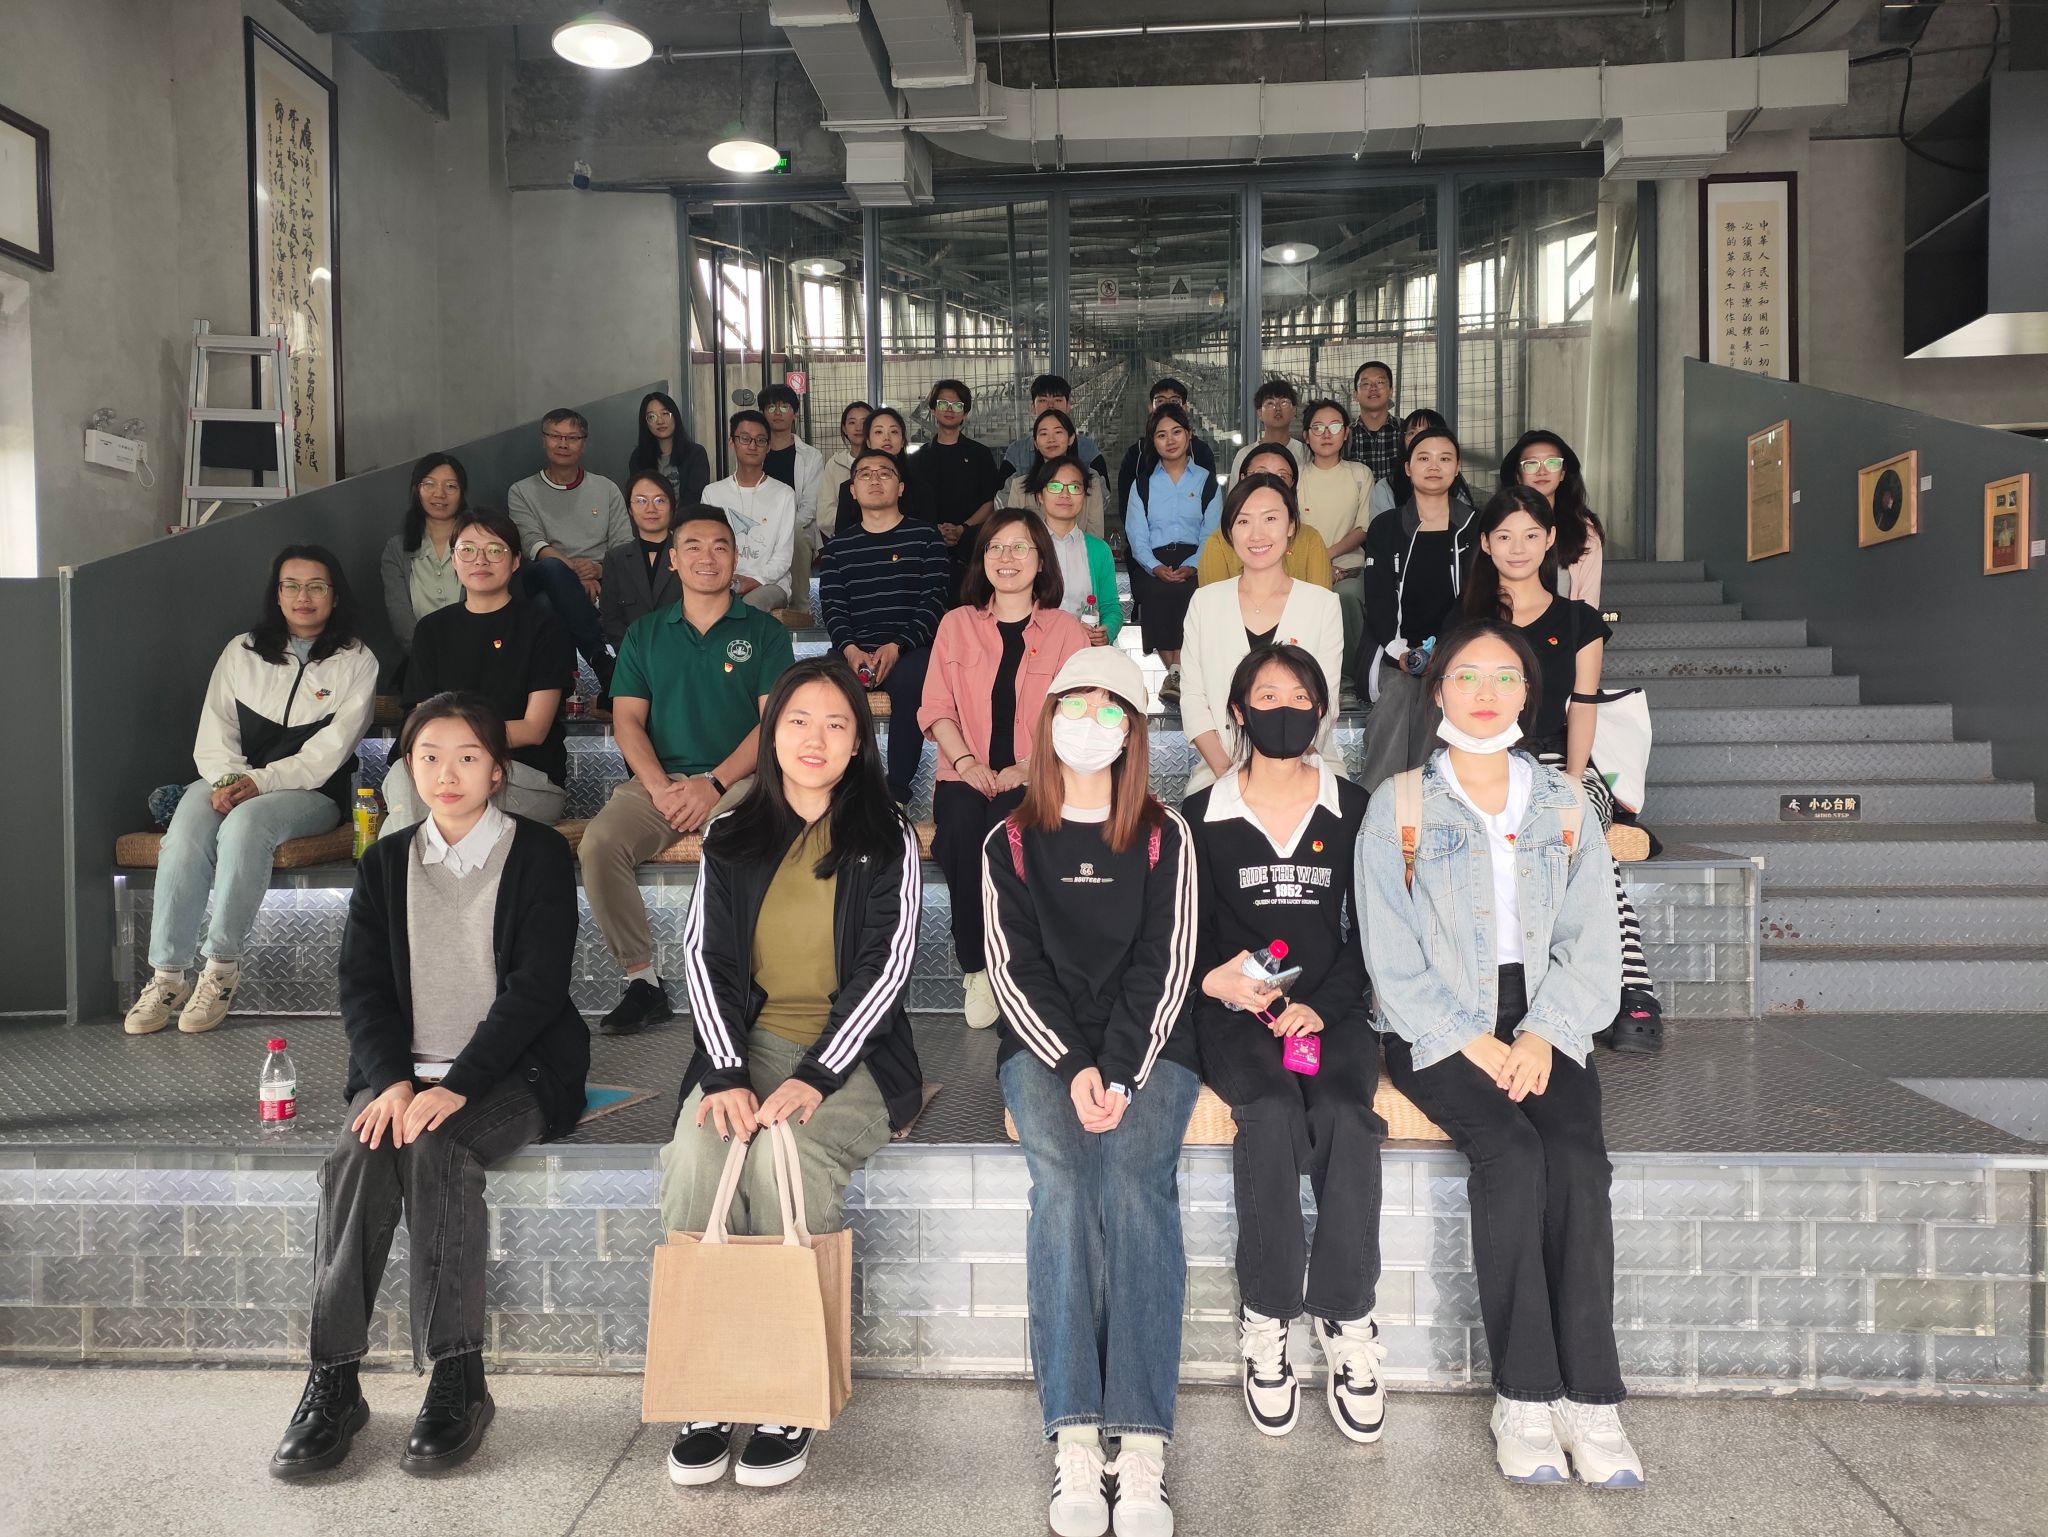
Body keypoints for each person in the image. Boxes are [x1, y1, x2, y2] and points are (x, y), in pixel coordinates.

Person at [269, 693, 589, 1479]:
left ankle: (458, 1374)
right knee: (356, 1155)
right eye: (430, 756)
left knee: (438, 1147)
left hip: (511, 1070)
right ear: (408, 768)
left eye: (468, 756)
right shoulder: (385, 863)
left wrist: (459, 1085)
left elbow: (537, 989)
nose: (448, 772)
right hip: (403, 1076)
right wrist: (392, 1081)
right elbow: (363, 988)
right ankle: (334, 1379)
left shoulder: (540, 854)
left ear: (498, 770)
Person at [1355, 621, 1641, 1490]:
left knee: (1578, 1161)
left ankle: (1591, 1398)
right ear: (1436, 689)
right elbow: (1388, 953)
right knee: (1512, 1155)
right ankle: (1524, 1393)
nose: (1485, 692)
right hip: (1437, 1025)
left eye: (1505, 676)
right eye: (1467, 675)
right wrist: (1472, 1037)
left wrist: (1545, 1032)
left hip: (1549, 1017)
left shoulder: (1565, 803)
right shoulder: (1400, 804)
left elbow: (1594, 941)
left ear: (1529, 692)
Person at [659, 659, 924, 1492]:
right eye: (798, 720)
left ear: (859, 743)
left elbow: (887, 969)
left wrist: (816, 1074)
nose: (816, 737)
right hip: (749, 1043)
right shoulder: (732, 832)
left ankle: (785, 1390)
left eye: (837, 723)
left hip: (856, 1055)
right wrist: (724, 1073)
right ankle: (706, 1384)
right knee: (698, 1155)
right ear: (772, 735)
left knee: (787, 1156)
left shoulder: (887, 835)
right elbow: (703, 959)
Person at [981, 645, 1200, 1537]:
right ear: (1047, 716)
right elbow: (1014, 969)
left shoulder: (1163, 832)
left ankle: (1141, 1441)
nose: (1090, 720)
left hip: (1149, 1045)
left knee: (1138, 1188)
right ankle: (1075, 1431)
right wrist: (1075, 1065)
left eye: (1112, 706)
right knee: (1066, 1186)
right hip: (1046, 1045)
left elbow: (1166, 962)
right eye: (1076, 702)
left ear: (1134, 729)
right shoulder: (1009, 838)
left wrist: (1120, 1069)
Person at [1185, 645, 1384, 1444]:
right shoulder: (1198, 815)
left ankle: (1347, 1315)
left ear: (1322, 710)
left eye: (1300, 695)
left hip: (1328, 1012)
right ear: (1238, 710)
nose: (1284, 708)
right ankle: (1267, 1316)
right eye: (1265, 695)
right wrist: (1216, 982)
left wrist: (1322, 1009)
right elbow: (1183, 932)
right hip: (1235, 1014)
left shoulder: (1355, 808)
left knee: (1344, 1115)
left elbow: (1373, 934)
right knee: (1267, 1110)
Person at [124, 547, 378, 1038]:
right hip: (229, 778)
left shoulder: (357, 660)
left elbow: (329, 751)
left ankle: (221, 968)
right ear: (276, 595)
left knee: (244, 826)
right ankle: (168, 975)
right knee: (187, 827)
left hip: (310, 793)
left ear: (335, 595)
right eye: (291, 586)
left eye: (316, 586)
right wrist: (227, 781)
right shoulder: (242, 650)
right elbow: (215, 728)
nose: (303, 597)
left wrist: (259, 782)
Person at [578, 506, 797, 1037]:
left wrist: (713, 783)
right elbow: (628, 721)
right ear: (673, 559)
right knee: (599, 844)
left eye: (720, 546)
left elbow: (773, 724)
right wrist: (658, 787)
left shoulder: (765, 633)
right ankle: (642, 982)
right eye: (693, 546)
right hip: (660, 780)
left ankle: (738, 980)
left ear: (735, 558)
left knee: (734, 840)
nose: (707, 557)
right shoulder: (646, 633)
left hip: (741, 780)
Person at [1465, 484, 1661, 1052]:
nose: (1518, 547)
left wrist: (1574, 781)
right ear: (1486, 544)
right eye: (1505, 536)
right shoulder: (1470, 620)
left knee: (1585, 840)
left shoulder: (1578, 619)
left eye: (1531, 535)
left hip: (1560, 757)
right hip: (1488, 758)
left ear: (1550, 539)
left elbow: (1584, 705)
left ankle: (1631, 986)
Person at [921, 511, 1090, 1030]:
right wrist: (967, 763)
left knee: (1007, 827)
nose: (1006, 558)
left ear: (1041, 561)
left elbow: (1077, 713)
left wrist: (1028, 767)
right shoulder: (956, 625)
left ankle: (1019, 965)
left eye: (1020, 547)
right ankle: (977, 968)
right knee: (961, 828)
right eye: (995, 547)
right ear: (982, 559)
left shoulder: (1066, 631)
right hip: (964, 772)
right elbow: (936, 708)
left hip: (1038, 774)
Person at [387, 510, 572, 830]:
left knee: (449, 815)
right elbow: (422, 719)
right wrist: (456, 754)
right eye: (468, 550)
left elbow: (534, 728)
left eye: (495, 550)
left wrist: (456, 746)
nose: (480, 560)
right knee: (406, 782)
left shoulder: (544, 626)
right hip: (443, 771)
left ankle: (412, 862)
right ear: (454, 560)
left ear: (515, 561)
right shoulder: (432, 629)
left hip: (520, 772)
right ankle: (407, 862)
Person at [1179, 476, 1344, 795]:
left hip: (1306, 764)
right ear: (1230, 531)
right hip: (1221, 768)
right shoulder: (1205, 602)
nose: (1257, 534)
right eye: (1243, 521)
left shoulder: (1322, 604)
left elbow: (1326, 701)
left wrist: (1282, 776)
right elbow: (1193, 699)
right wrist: (1229, 775)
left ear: (1291, 526)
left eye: (1270, 519)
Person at [819, 448, 953, 803]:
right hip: (852, 649)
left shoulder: (926, 538)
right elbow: (833, 607)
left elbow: (933, 602)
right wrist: (851, 650)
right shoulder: (838, 548)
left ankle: (896, 793)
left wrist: (898, 646)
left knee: (915, 679)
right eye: (864, 474)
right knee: (824, 687)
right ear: (852, 490)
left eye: (884, 473)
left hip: (910, 648)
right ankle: (842, 789)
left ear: (901, 487)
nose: (874, 479)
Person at [1356, 426, 1478, 792]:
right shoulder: (1386, 526)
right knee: (1398, 692)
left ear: (1457, 468)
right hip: (1391, 648)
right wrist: (1400, 653)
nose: (1434, 466)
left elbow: (1474, 599)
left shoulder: (1475, 526)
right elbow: (1378, 598)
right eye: (1424, 458)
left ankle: (1426, 797)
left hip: (1457, 651)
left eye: (1445, 459)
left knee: (1434, 695)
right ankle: (1377, 798)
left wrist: (1443, 651)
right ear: (1408, 468)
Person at [508, 408, 631, 691]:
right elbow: (532, 543)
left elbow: (623, 545)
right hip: (544, 572)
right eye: (555, 436)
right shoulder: (521, 491)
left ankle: (564, 688)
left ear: (583, 443)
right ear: (543, 440)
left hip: (597, 579)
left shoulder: (606, 489)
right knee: (551, 569)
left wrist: (598, 570)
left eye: (572, 438)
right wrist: (575, 576)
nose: (563, 444)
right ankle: (598, 656)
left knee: (546, 605)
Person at [1125, 402, 1221, 702]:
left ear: (1189, 435)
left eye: (1176, 432)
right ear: (1153, 441)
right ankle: (1178, 673)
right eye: (1161, 435)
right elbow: (1136, 534)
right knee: (1154, 591)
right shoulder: (1142, 485)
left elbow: (1212, 531)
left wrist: (1194, 564)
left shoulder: (1206, 480)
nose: (1170, 440)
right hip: (1154, 560)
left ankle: (1179, 674)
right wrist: (1153, 566)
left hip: (1197, 557)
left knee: (1190, 591)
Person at [1298, 400, 1373, 691]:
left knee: (1347, 597)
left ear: (1346, 433)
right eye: (1317, 427)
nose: (1326, 434)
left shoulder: (1360, 474)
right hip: (1302, 568)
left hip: (1349, 570)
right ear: (1306, 436)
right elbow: (1292, 530)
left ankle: (1347, 682)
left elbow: (1363, 528)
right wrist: (1317, 565)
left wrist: (1327, 558)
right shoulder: (1298, 477)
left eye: (1334, 426)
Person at [1197, 439, 1334, 588]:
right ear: (1243, 478)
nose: (1269, 482)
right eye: (1261, 473)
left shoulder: (1310, 539)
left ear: (1292, 484)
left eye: (1281, 477)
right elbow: (1213, 600)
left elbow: (1320, 599)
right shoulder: (1218, 542)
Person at [701, 409, 798, 612]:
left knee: (748, 607)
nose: (753, 446)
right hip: (723, 581)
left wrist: (754, 580)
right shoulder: (712, 493)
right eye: (745, 439)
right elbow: (707, 546)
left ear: (768, 446)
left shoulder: (784, 494)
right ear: (732, 442)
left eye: (760, 440)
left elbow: (783, 557)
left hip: (769, 584)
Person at [916, 379, 1005, 590]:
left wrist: (962, 528)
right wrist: (936, 530)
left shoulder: (980, 454)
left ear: (965, 413)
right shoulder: (918, 459)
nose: (949, 410)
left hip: (972, 548)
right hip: (928, 549)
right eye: (943, 404)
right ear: (933, 410)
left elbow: (990, 502)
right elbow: (914, 505)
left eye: (957, 405)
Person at [379, 453, 469, 657]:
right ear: (416, 490)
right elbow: (399, 615)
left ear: (462, 493)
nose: (440, 493)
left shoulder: (479, 544)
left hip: (475, 655)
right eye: (429, 484)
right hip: (420, 659)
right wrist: (426, 657)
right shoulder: (396, 549)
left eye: (451, 486)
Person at [1502, 429, 1606, 606]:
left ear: (1563, 473)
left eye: (1552, 463)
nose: (1542, 471)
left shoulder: (1584, 531)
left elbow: (1588, 603)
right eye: (1531, 464)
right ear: (1518, 476)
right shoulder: (1499, 525)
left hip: (1567, 623)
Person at [1028, 454, 1124, 643]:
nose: (1065, 494)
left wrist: (1106, 632)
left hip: (1085, 650)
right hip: (1037, 648)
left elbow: (1111, 608)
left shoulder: (1099, 550)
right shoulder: (1027, 546)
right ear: (1040, 496)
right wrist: (1068, 630)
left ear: (1084, 496)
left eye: (1074, 487)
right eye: (1055, 487)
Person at [600, 473, 682, 650]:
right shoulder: (616, 559)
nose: (651, 508)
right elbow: (611, 619)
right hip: (631, 654)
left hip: (682, 652)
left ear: (672, 506)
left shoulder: (689, 554)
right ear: (630, 509)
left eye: (660, 500)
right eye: (641, 501)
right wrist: (633, 654)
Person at [998, 408, 1107, 539]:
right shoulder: (1019, 486)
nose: (1051, 439)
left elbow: (1095, 535)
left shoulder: (1091, 483)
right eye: (1044, 434)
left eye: (1058, 432)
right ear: (1035, 443)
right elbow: (1014, 536)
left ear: (1071, 438)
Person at [758, 382, 824, 595]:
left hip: (797, 528)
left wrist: (781, 530)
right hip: (758, 527)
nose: (777, 412)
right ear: (762, 413)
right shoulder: (754, 451)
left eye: (784, 407)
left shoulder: (811, 456)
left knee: (797, 536)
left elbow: (809, 507)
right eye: (771, 407)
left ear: (795, 413)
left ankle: (800, 607)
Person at [1116, 377, 1216, 513]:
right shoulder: (1136, 454)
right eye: (1160, 401)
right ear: (1150, 408)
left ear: (1185, 408)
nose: (1167, 407)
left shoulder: (1201, 452)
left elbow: (1210, 502)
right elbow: (1127, 507)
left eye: (1175, 401)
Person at [1000, 372, 1108, 484]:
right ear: (1033, 407)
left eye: (1058, 400)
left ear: (1068, 406)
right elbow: (1004, 493)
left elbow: (1102, 492)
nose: (1051, 405)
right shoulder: (1016, 452)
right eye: (1043, 400)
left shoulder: (1088, 449)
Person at [831, 407, 919, 535]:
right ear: (868, 442)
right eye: (878, 432)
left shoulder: (920, 486)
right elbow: (842, 537)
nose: (886, 437)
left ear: (902, 441)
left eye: (894, 431)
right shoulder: (849, 489)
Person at [627, 390, 710, 510]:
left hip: (686, 520)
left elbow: (694, 498)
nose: (660, 421)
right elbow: (637, 498)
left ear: (675, 416)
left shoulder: (695, 454)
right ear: (645, 423)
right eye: (652, 417)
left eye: (665, 413)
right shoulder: (638, 457)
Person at [816, 400, 871, 548]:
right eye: (852, 422)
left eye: (864, 422)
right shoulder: (834, 464)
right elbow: (825, 512)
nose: (858, 428)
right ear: (844, 429)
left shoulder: (883, 463)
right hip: (843, 539)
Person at [1227, 380, 1307, 481]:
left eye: (1284, 402)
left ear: (1294, 410)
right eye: (1270, 403)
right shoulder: (1245, 455)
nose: (1278, 408)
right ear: (1259, 413)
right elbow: (1237, 491)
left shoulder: (1305, 453)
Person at [1344, 361, 1402, 482]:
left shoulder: (1405, 431)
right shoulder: (1345, 436)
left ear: (1391, 391)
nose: (1373, 388)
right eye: (1365, 384)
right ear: (1355, 395)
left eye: (1380, 382)